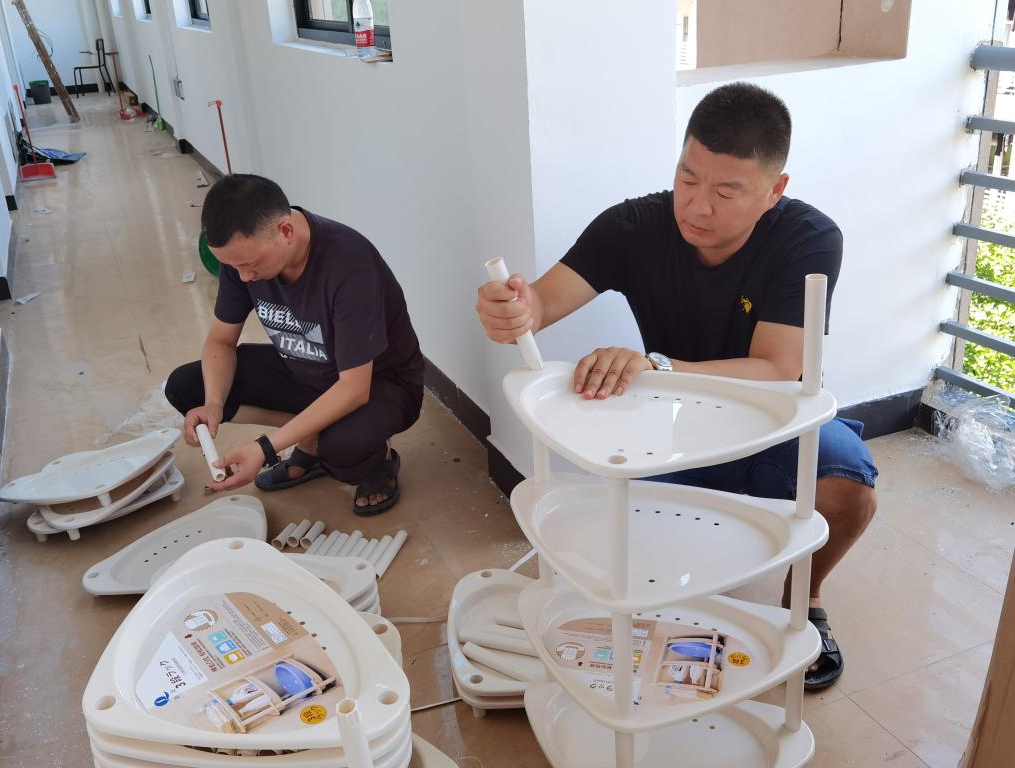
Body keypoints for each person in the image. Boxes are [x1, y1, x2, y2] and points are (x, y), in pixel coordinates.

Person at [475, 82, 877, 690]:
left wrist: (656, 366)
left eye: (726, 191)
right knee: (629, 556)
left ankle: (805, 596)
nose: (697, 207)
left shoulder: (809, 238)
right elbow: (543, 302)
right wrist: (511, 309)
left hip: (773, 423)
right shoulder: (633, 226)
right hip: (671, 431)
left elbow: (776, 368)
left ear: (774, 191)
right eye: (687, 178)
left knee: (850, 489)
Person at [165, 174, 424, 516]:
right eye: (233, 267)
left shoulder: (349, 263)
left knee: (343, 449)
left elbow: (354, 388)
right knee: (187, 387)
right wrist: (213, 404)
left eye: (250, 265)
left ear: (285, 231)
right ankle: (311, 437)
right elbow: (221, 340)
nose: (243, 277)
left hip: (380, 383)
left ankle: (377, 462)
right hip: (305, 369)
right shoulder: (241, 258)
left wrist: (265, 449)